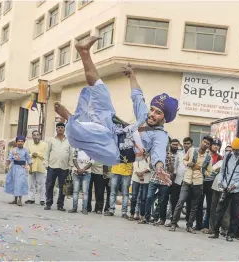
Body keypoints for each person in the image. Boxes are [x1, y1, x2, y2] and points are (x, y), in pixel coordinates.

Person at [53, 36, 177, 184]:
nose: (152, 114)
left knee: (100, 133)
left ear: (164, 118)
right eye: (152, 109)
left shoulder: (161, 136)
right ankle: (84, 52)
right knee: (101, 91)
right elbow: (138, 97)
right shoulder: (144, 116)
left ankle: (70, 118)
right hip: (114, 128)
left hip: (114, 152)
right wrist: (132, 75)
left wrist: (159, 168)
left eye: (158, 113)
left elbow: (158, 153)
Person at [209, 137, 239, 242]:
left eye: (237, 150)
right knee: (219, 210)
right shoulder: (227, 156)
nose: (235, 151)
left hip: (237, 189)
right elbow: (222, 171)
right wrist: (222, 183)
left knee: (234, 212)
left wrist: (236, 185)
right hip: (226, 187)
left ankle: (230, 234)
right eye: (233, 149)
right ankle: (215, 232)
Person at [169, 136, 213, 233]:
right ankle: (173, 223)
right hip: (187, 180)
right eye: (204, 142)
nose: (205, 144)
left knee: (194, 205)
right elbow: (184, 160)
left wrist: (200, 169)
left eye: (207, 144)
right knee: (180, 201)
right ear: (201, 141)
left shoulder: (209, 158)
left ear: (209, 146)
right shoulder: (192, 150)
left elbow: (209, 172)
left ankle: (189, 226)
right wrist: (188, 163)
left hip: (198, 182)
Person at [44, 122, 71, 211]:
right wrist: (46, 164)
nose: (60, 129)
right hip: (52, 166)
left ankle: (60, 205)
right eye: (58, 127)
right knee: (49, 185)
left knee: (62, 187)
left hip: (64, 167)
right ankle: (48, 203)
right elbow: (47, 153)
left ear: (64, 129)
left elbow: (71, 154)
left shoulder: (69, 141)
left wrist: (70, 166)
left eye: (61, 127)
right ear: (56, 129)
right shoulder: (52, 140)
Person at [196, 138, 223, 232]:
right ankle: (198, 225)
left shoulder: (220, 158)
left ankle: (206, 225)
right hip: (201, 180)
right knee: (199, 203)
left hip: (211, 182)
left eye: (218, 145)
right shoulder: (205, 155)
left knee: (210, 205)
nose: (216, 146)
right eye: (214, 144)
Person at [209, 145, 232, 235]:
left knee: (226, 210)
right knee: (214, 208)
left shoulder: (235, 164)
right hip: (216, 187)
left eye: (230, 151)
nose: (228, 152)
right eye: (226, 151)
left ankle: (224, 229)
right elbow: (212, 169)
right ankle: (212, 228)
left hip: (227, 188)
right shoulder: (221, 161)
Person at [5, 136, 32, 206]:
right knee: (15, 183)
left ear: (24, 142)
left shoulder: (25, 150)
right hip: (13, 168)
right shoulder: (13, 150)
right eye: (19, 141)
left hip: (21, 169)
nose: (20, 143)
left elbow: (29, 159)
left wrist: (30, 168)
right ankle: (15, 199)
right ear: (16, 142)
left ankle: (20, 200)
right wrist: (7, 166)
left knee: (20, 183)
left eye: (22, 141)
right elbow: (9, 158)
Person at [165, 139, 186, 226]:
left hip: (180, 180)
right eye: (173, 144)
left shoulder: (181, 155)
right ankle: (168, 219)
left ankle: (174, 220)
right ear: (170, 144)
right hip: (170, 180)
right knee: (169, 200)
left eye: (176, 145)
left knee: (177, 201)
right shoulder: (167, 153)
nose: (175, 146)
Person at [68, 148, 94, 214]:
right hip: (76, 173)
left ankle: (84, 208)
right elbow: (74, 159)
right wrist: (79, 169)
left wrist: (83, 169)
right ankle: (74, 208)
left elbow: (91, 162)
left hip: (86, 174)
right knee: (75, 191)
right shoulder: (77, 149)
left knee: (85, 192)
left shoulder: (90, 150)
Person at [25, 130, 47, 205]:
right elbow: (27, 155)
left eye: (37, 135)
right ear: (32, 136)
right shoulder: (30, 146)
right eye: (34, 135)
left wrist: (37, 154)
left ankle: (42, 200)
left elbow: (46, 155)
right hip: (31, 167)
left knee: (42, 185)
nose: (36, 136)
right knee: (31, 184)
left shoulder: (45, 145)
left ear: (40, 136)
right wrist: (32, 155)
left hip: (41, 167)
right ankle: (31, 199)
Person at [129, 157, 151, 222]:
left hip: (146, 178)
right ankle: (132, 214)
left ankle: (142, 216)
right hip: (136, 177)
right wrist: (138, 172)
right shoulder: (138, 153)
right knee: (134, 197)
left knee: (143, 198)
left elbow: (150, 166)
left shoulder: (150, 155)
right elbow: (134, 163)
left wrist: (143, 172)